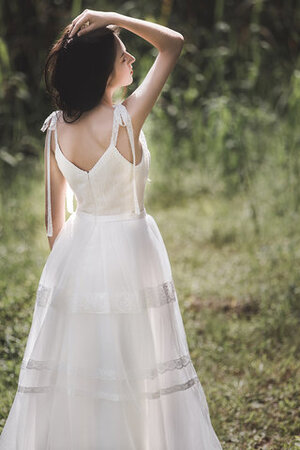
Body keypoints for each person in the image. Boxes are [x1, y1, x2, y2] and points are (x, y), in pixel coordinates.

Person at [0, 9, 223, 449]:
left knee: (87, 367)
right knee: (140, 360)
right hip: (132, 246)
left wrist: (72, 273)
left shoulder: (55, 129)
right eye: (123, 54)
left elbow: (52, 223)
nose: (132, 60)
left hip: (75, 254)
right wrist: (112, 16)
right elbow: (172, 43)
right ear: (103, 70)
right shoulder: (127, 118)